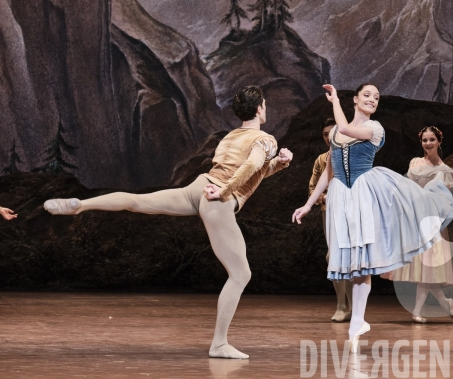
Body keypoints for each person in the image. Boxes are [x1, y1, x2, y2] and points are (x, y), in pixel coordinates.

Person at [44, 85, 293, 360]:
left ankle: (82, 205)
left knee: (137, 202)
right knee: (241, 274)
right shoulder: (265, 139)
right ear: (260, 109)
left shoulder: (231, 136)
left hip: (198, 188)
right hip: (216, 199)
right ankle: (219, 343)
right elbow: (249, 167)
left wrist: (278, 165)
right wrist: (225, 192)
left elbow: (253, 171)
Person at [292, 84, 453, 352]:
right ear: (355, 100)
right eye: (367, 95)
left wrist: (334, 101)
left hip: (363, 192)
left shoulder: (375, 128)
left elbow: (345, 129)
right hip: (340, 197)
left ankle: (357, 321)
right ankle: (357, 320)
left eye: (376, 97)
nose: (372, 100)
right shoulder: (334, 132)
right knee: (351, 262)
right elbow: (329, 171)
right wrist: (309, 203)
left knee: (363, 260)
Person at [380, 126, 453, 323]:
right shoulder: (415, 163)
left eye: (431, 140)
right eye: (425, 140)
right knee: (425, 272)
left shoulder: (444, 171)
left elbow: (443, 201)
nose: (428, 144)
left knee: (428, 270)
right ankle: (445, 304)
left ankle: (417, 311)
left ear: (439, 141)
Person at [308, 117, 352, 322]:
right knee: (333, 257)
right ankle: (342, 305)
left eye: (332, 132)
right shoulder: (321, 159)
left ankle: (352, 305)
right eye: (325, 134)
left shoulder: (352, 155)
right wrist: (323, 197)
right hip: (329, 211)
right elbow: (313, 187)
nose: (329, 137)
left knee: (350, 258)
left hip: (351, 211)